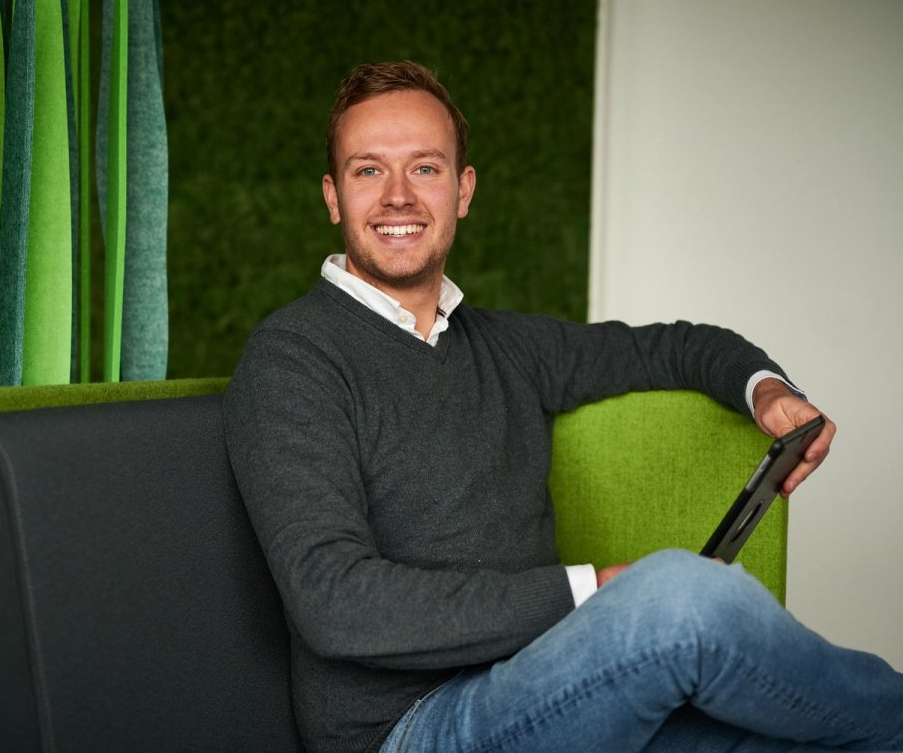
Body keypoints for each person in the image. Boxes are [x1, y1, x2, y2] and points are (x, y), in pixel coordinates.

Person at [222, 60, 902, 753]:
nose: (398, 196)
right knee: (681, 596)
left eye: (425, 168)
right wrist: (594, 592)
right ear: (334, 197)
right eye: (369, 170)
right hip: (410, 728)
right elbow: (336, 603)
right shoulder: (293, 359)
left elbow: (677, 347)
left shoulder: (508, 347)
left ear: (463, 190)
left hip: (554, 688)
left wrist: (768, 391)